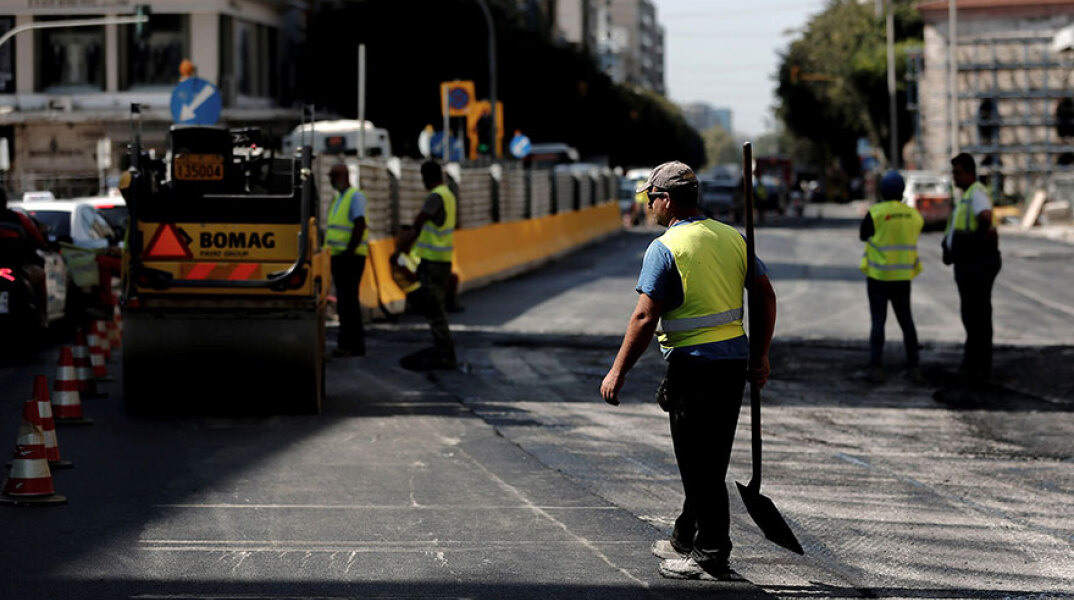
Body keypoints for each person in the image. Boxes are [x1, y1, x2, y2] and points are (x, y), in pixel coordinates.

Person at [600, 161, 777, 581]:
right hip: (733, 365)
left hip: (694, 369)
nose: (648, 206)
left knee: (701, 467)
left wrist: (617, 371)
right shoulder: (732, 237)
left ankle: (711, 551)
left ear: (667, 200)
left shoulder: (666, 247)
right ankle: (686, 533)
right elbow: (765, 295)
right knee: (709, 461)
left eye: (650, 198)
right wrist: (761, 355)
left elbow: (645, 318)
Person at [859, 170, 924, 384]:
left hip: (878, 276)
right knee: (907, 321)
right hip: (903, 277)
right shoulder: (913, 214)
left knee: (878, 321)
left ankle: (875, 367)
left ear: (882, 190)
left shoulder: (876, 212)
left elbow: (863, 235)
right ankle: (914, 367)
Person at [943, 153, 1001, 380]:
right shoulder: (967, 195)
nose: (954, 178)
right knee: (972, 313)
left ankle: (979, 364)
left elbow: (985, 218)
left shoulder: (976, 193)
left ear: (969, 172)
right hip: (968, 262)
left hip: (976, 263)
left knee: (977, 314)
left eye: (957, 173)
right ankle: (974, 361)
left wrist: (972, 245)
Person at [396, 160, 457, 370]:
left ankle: (446, 354)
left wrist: (403, 245)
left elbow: (419, 221)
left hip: (433, 262)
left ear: (426, 177)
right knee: (435, 307)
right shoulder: (448, 195)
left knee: (435, 309)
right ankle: (444, 351)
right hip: (442, 261)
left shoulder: (436, 197)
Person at [324, 163, 369, 357]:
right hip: (339, 257)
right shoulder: (338, 199)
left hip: (350, 258)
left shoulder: (354, 196)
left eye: (333, 176)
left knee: (348, 302)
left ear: (343, 176)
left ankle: (354, 345)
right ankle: (346, 344)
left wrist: (349, 251)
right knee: (344, 302)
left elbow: (360, 224)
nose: (331, 180)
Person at [0, 187, 48, 323]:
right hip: (18, 267)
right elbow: (37, 238)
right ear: (5, 201)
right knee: (41, 275)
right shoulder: (18, 218)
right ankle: (41, 316)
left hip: (14, 270)